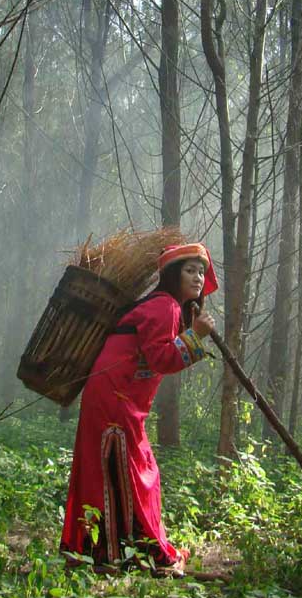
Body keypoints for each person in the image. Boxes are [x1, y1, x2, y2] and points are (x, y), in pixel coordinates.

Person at [59, 242, 218, 575]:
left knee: (127, 466)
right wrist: (197, 337)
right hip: (115, 399)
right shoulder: (165, 307)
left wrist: (191, 335)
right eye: (190, 270)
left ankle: (109, 551)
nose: (198, 277)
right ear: (173, 276)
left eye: (201, 272)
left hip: (118, 398)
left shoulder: (167, 307)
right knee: (129, 468)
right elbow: (161, 358)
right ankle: (121, 554)